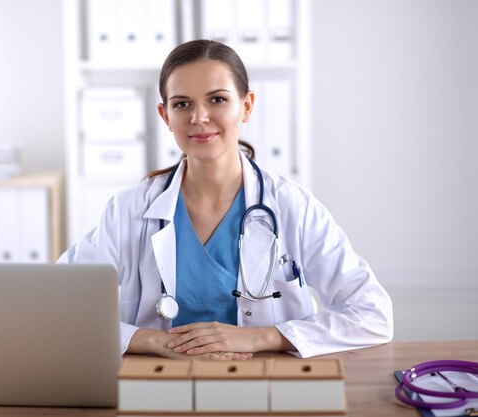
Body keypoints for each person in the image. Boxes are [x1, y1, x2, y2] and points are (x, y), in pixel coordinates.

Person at [58, 39, 393, 360]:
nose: (199, 117)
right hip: (159, 384)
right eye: (182, 104)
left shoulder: (292, 206)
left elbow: (372, 314)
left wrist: (262, 337)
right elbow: (58, 303)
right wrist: (155, 342)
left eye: (217, 99)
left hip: (269, 384)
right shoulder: (129, 210)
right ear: (165, 116)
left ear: (246, 107)